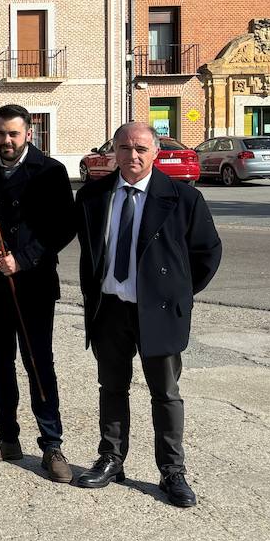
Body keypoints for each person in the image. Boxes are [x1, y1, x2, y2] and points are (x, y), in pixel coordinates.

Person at [73, 121, 221, 507]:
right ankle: (111, 458)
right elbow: (91, 254)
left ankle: (172, 472)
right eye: (124, 148)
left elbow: (207, 255)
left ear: (155, 152)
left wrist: (176, 296)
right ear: (113, 153)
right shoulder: (93, 196)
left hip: (158, 313)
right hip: (110, 312)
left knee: (166, 394)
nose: (132, 156)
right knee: (112, 388)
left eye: (140, 148)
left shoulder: (183, 199)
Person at [0, 104, 77, 483]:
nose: (5, 141)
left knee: (38, 362)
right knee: (0, 361)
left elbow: (63, 228)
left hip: (33, 284)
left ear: (29, 132)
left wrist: (24, 259)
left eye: (12, 133)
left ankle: (52, 443)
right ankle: (7, 437)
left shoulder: (50, 171)